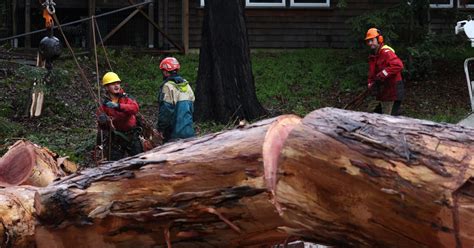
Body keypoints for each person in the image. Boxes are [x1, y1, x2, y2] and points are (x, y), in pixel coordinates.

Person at [97, 72, 143, 161]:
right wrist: (102, 121)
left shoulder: (126, 98)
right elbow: (103, 125)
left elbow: (135, 108)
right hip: (115, 139)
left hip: (131, 136)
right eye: (113, 84)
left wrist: (118, 106)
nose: (116, 86)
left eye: (117, 83)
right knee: (114, 165)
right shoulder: (104, 105)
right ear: (106, 87)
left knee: (140, 161)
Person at [365, 28, 404, 115]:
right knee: (370, 113)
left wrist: (382, 74)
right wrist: (370, 83)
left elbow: (398, 65)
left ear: (379, 39)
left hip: (392, 91)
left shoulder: (386, 52)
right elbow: (372, 73)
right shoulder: (373, 56)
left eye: (372, 40)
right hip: (381, 92)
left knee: (388, 118)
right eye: (368, 41)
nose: (370, 43)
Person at [156, 57, 195, 143]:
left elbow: (165, 111)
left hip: (173, 135)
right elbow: (192, 109)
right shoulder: (186, 85)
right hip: (189, 132)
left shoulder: (167, 86)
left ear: (165, 72)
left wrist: (161, 129)